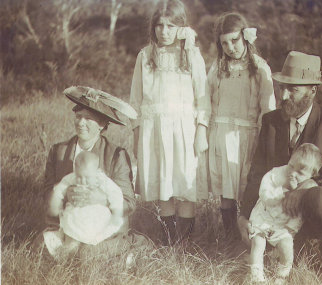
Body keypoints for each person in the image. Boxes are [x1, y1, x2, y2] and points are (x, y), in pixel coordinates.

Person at [239, 51, 322, 271]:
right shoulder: (271, 122)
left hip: (321, 214)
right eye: (282, 88)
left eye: (293, 90)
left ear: (313, 91)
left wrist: (312, 184)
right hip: (280, 214)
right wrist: (243, 215)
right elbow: (257, 174)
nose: (284, 96)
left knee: (317, 197)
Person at [129, 0, 210, 245]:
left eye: (171, 26)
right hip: (154, 130)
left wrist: (201, 130)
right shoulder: (145, 56)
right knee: (163, 185)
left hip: (184, 128)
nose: (164, 31)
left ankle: (184, 242)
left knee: (184, 184)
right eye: (159, 25)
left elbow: (203, 98)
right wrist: (136, 135)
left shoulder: (191, 55)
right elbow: (136, 99)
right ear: (153, 27)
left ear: (182, 27)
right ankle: (168, 241)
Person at [43, 86, 140, 259]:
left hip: (102, 226)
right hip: (69, 225)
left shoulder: (116, 155)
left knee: (87, 255)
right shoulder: (59, 151)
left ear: (102, 125)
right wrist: (65, 195)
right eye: (78, 117)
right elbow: (46, 193)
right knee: (45, 248)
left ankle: (129, 248)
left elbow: (129, 203)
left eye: (88, 118)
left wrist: (102, 198)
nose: (81, 123)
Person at [206, 12, 275, 238]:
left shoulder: (259, 68)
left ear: (245, 38)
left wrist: (267, 140)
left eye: (234, 40)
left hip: (248, 135)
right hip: (222, 134)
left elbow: (268, 108)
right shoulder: (218, 67)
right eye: (224, 42)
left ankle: (249, 236)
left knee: (247, 187)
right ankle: (229, 237)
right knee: (226, 190)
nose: (230, 47)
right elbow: (206, 99)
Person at [249, 143, 322, 282]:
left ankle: (281, 276)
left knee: (287, 248)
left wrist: (290, 230)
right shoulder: (275, 174)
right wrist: (282, 191)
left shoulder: (306, 189)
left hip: (283, 226)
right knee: (258, 243)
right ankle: (256, 276)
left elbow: (299, 215)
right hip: (263, 217)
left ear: (312, 175)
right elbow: (264, 194)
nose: (292, 173)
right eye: (290, 166)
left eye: (300, 172)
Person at [45, 151, 124, 258]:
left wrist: (117, 212)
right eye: (79, 176)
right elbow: (59, 189)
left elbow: (116, 194)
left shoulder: (101, 179)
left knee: (93, 242)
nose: (82, 181)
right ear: (75, 171)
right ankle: (66, 256)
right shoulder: (71, 177)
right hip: (75, 214)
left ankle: (89, 251)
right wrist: (54, 204)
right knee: (71, 236)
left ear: (96, 171)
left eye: (87, 177)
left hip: (95, 217)